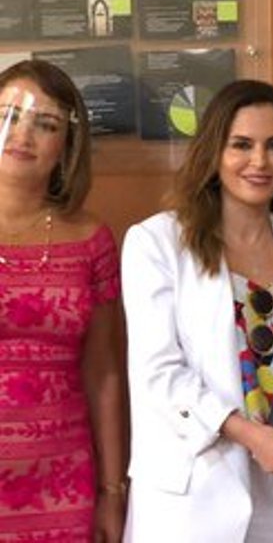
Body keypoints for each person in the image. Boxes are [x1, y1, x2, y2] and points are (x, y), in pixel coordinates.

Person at [121, 80, 273, 542]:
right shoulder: (155, 242)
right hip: (196, 490)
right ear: (213, 153)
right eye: (241, 145)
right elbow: (158, 372)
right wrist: (250, 435)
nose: (260, 161)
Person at [0, 60, 127, 540]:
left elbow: (104, 373)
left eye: (46, 124)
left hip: (62, 477)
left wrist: (112, 492)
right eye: (8, 116)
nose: (22, 135)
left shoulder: (92, 239)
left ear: (67, 145)